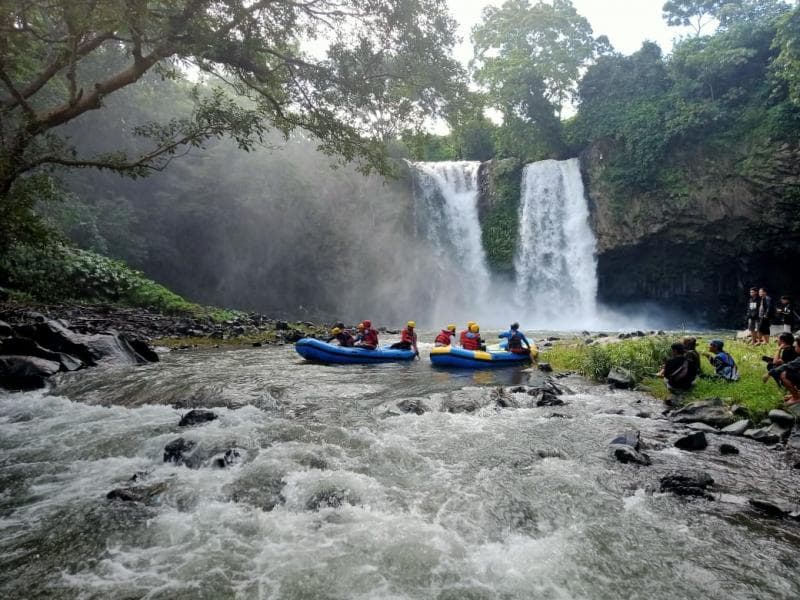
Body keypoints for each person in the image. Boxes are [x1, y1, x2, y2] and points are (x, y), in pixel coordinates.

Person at [765, 337, 800, 405]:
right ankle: (796, 394)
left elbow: (778, 363)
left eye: (796, 346)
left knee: (783, 374)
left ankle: (796, 397)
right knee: (775, 367)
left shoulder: (790, 351)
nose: (795, 347)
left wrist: (769, 374)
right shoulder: (788, 350)